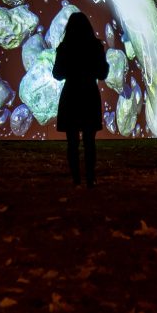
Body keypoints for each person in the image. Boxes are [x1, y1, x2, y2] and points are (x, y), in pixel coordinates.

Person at [52, 12, 109, 187]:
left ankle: (76, 179)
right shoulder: (95, 46)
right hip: (89, 94)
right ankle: (90, 179)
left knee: (72, 141)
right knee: (89, 141)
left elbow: (57, 74)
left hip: (71, 93)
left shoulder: (64, 47)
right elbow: (103, 73)